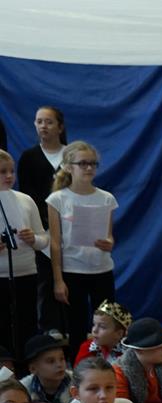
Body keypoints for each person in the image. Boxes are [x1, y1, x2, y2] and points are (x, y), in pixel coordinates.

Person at [45, 141, 118, 358]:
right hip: (73, 271)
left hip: (101, 270)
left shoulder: (106, 198)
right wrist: (58, 280)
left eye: (93, 163)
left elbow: (109, 236)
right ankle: (79, 368)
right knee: (76, 326)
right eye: (83, 163)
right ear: (68, 167)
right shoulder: (57, 199)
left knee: (107, 323)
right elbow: (55, 243)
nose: (89, 168)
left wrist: (109, 243)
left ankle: (108, 364)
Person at [16, 106, 67, 336]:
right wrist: (42, 226)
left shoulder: (71, 156)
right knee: (46, 281)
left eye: (49, 122)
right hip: (43, 230)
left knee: (71, 279)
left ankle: (72, 327)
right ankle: (50, 329)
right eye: (39, 122)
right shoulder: (29, 158)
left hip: (70, 229)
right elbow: (27, 196)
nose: (43, 126)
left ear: (60, 127)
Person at [0, 150, 49, 371]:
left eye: (12, 171)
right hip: (0, 275)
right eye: (3, 172)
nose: (9, 176)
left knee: (27, 324)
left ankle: (26, 372)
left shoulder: (25, 200)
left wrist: (33, 239)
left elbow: (43, 239)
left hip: (26, 273)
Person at [21, 333, 71, 403]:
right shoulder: (23, 391)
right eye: (51, 361)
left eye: (62, 359)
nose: (59, 364)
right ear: (33, 369)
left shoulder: (78, 386)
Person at [73, 300, 130, 366]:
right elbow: (78, 371)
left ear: (119, 334)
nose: (94, 330)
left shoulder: (128, 354)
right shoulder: (86, 348)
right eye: (94, 324)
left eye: (102, 327)